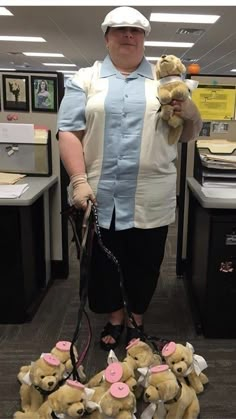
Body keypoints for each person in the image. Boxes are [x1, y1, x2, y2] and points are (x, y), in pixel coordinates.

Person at [57, 6, 202, 351]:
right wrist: (78, 180)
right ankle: (115, 318)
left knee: (146, 261)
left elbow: (186, 134)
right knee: (105, 263)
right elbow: (68, 132)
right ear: (107, 38)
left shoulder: (167, 83)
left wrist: (193, 113)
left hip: (150, 194)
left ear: (144, 38)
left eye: (135, 31)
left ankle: (136, 318)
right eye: (120, 29)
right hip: (99, 193)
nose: (128, 35)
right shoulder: (85, 79)